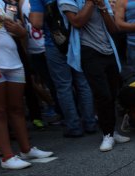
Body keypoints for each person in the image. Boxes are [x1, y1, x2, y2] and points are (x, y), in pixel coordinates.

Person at [0, 1, 53, 169]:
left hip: (12, 58)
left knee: (17, 107)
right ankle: (7, 157)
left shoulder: (3, 2)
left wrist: (20, 31)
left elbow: (22, 30)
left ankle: (26, 149)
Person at [60, 0, 130, 152]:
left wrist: (103, 8)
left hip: (109, 50)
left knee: (112, 93)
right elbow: (77, 22)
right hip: (88, 51)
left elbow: (113, 28)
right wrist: (91, 2)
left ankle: (112, 130)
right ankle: (107, 134)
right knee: (102, 94)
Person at [29, 0, 97, 138]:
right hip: (77, 39)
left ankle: (74, 126)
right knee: (83, 83)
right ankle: (90, 123)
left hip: (54, 43)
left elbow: (36, 22)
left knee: (63, 86)